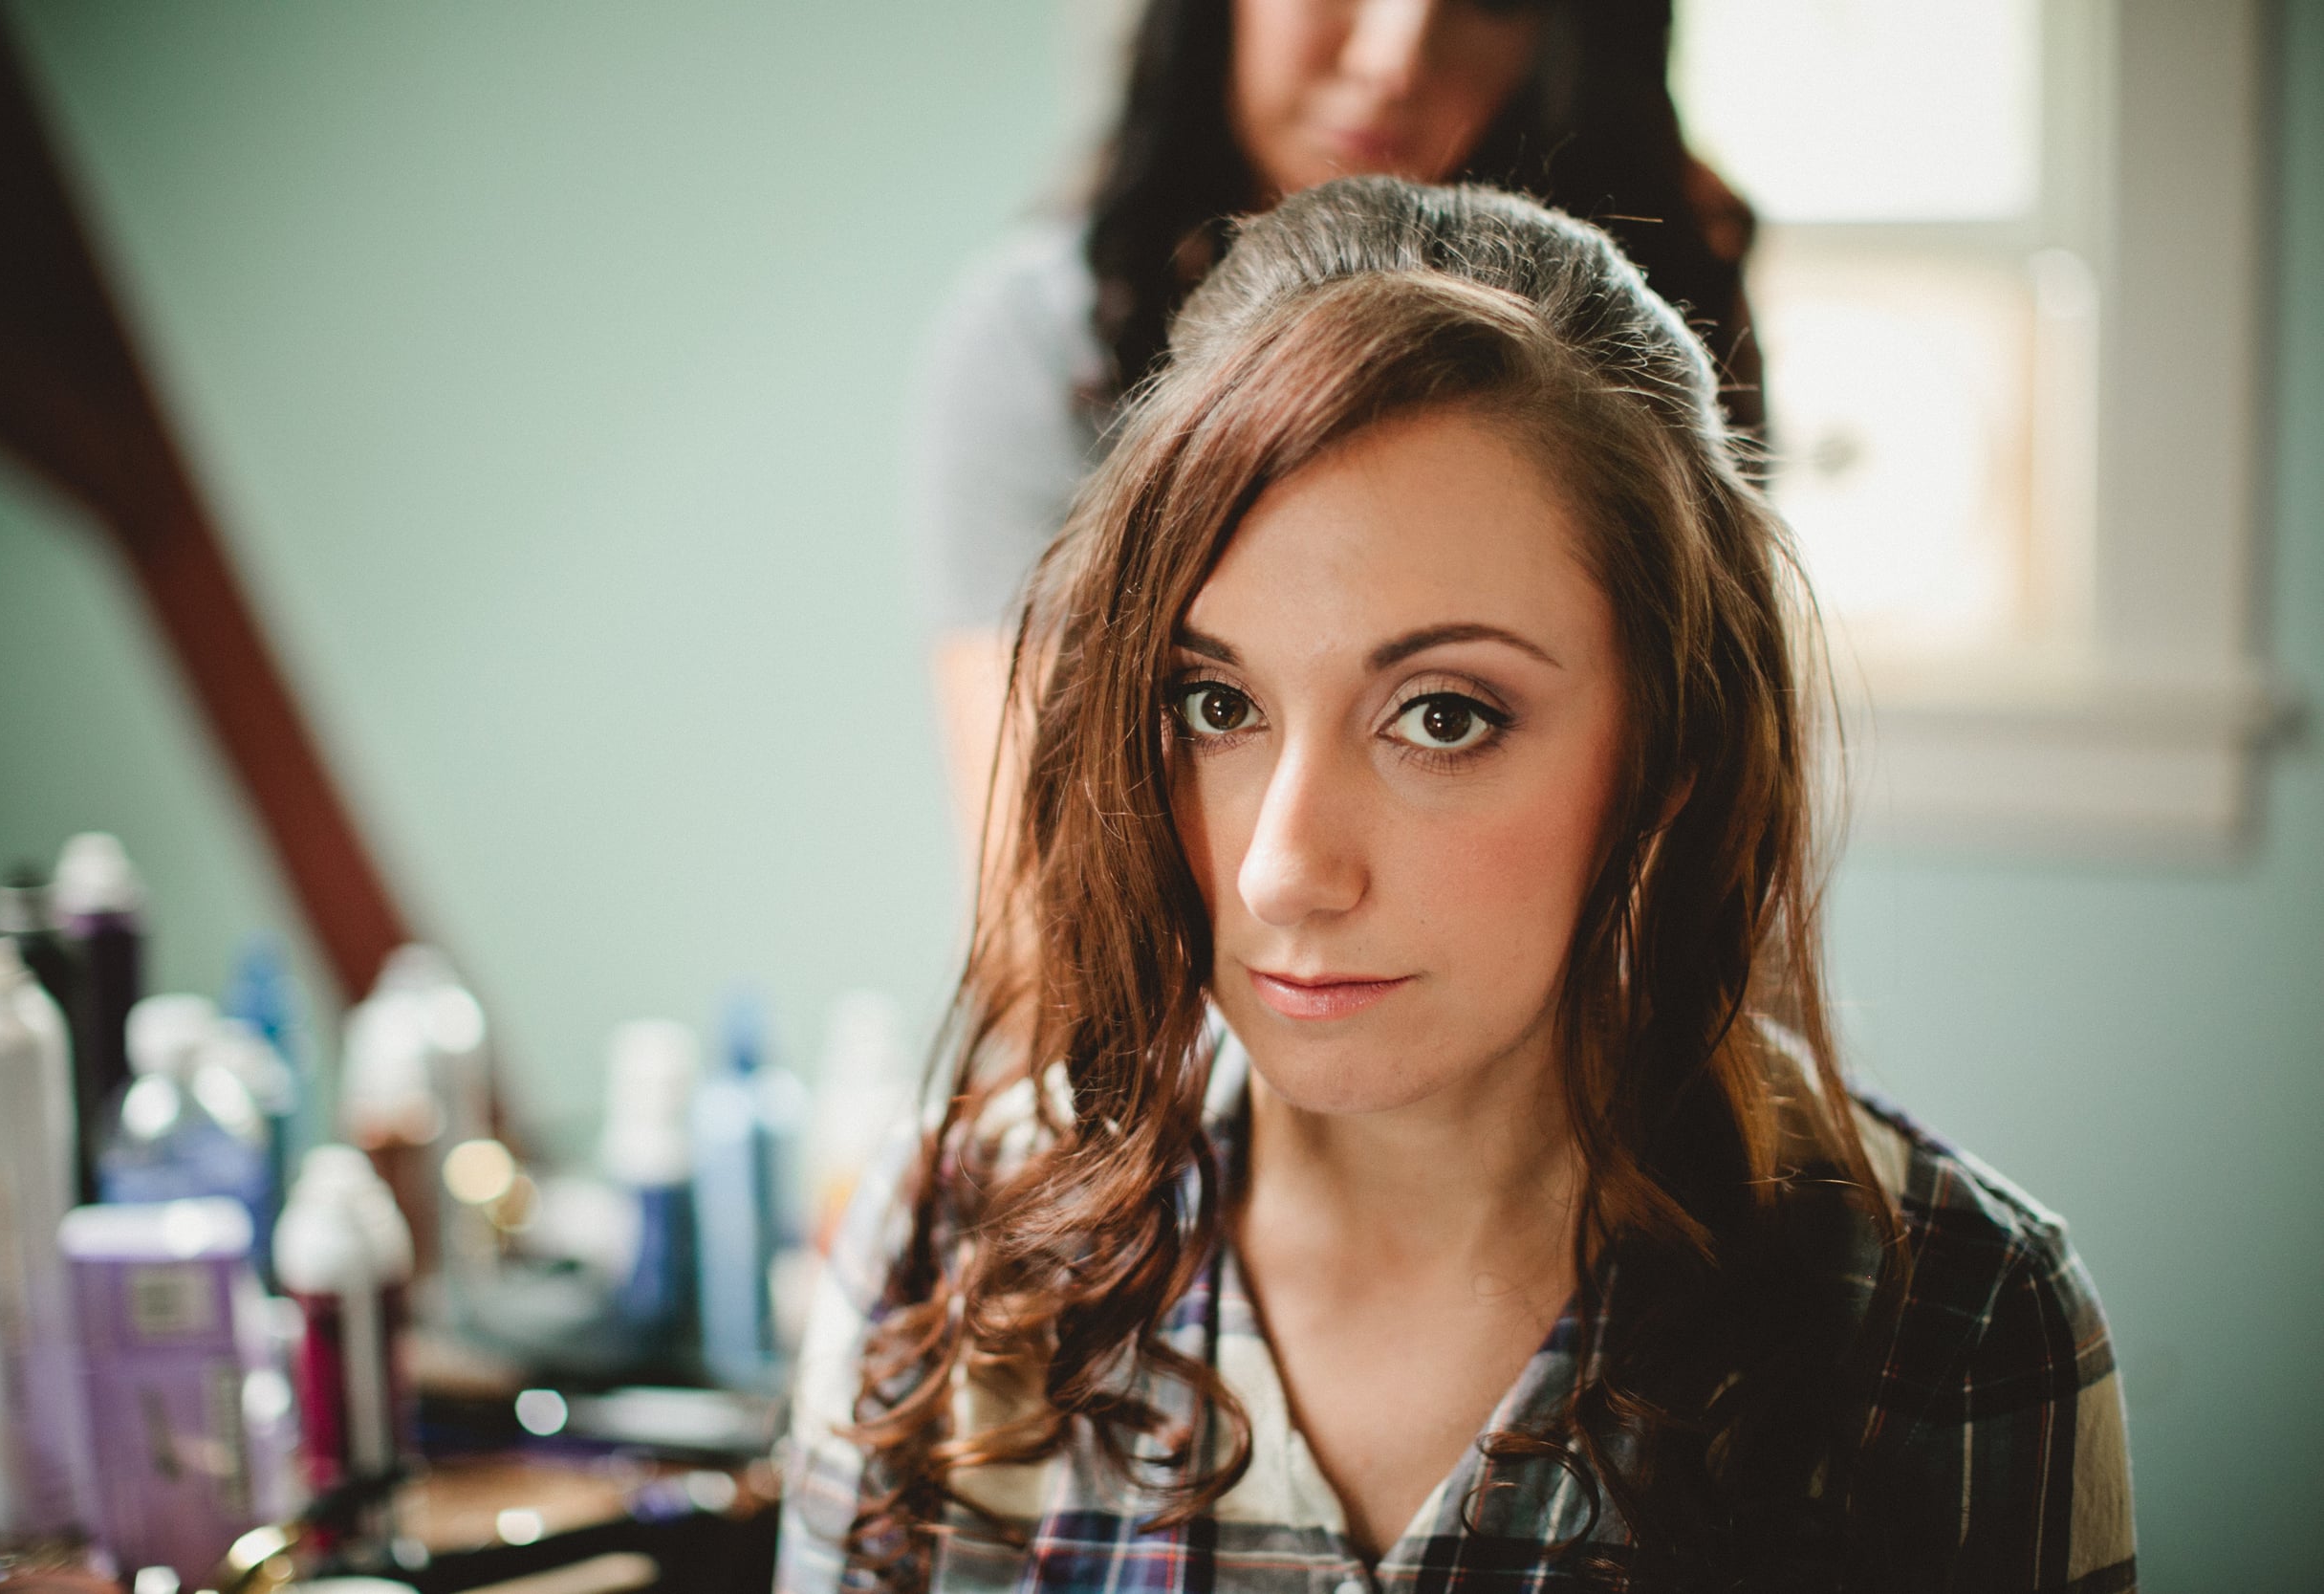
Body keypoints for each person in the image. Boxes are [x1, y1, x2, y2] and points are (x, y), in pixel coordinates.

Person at [782, 179, 2135, 1592]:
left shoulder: (1951, 1324)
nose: (1283, 867)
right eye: (1214, 701)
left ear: (1672, 749)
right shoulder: (963, 1241)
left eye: (1443, 715)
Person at [918, 0, 1763, 849]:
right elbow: (1033, 899)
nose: (1392, 59)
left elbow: (1699, 867)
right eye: (1216, 707)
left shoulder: (1664, 342)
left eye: (1488, 4)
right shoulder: (1049, 344)